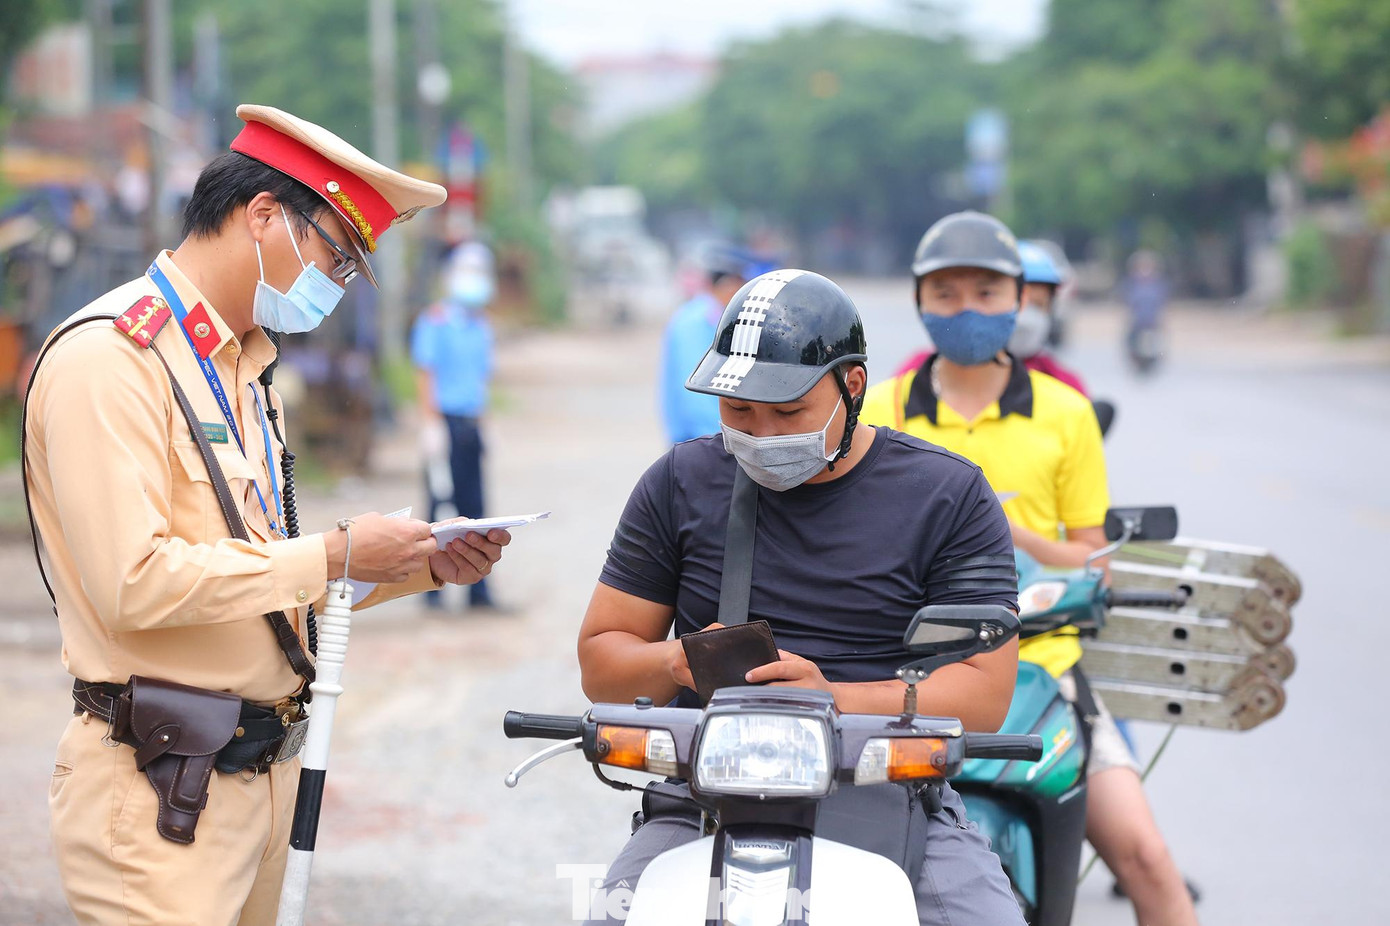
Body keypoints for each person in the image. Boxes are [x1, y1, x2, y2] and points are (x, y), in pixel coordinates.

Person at [22, 104, 511, 926]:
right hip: (158, 791)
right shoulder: (112, 359)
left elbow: (248, 588)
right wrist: (332, 551)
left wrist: (404, 564)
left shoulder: (245, 368)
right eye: (336, 255)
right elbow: (132, 584)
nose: (335, 285)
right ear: (262, 217)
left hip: (259, 779)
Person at [578, 268, 1027, 925]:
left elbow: (985, 694)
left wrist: (832, 699)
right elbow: (601, 663)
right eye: (738, 412)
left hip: (890, 790)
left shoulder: (948, 496)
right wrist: (673, 663)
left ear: (853, 385)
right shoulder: (679, 483)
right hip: (707, 796)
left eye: (788, 412)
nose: (760, 434)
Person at [860, 210, 1199, 926]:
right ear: (919, 300)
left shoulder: (1065, 412)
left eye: (986, 292)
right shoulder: (881, 407)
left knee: (1147, 861)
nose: (967, 310)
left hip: (1045, 666)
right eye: (946, 293)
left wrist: (1013, 534)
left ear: (1022, 299)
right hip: (907, 670)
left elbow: (1093, 561)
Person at [412, 240, 502, 611]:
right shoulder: (435, 320)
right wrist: (431, 424)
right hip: (444, 422)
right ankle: (430, 589)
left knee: (476, 507)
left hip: (471, 421)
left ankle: (478, 591)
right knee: (438, 508)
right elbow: (425, 373)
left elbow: (481, 378)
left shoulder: (482, 326)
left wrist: (486, 422)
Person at [893, 240, 1089, 398]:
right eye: (987, 294)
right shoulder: (917, 374)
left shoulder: (1065, 385)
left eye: (1038, 305)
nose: (1027, 318)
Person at [658, 249, 749, 443]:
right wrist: (713, 439)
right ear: (726, 286)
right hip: (699, 437)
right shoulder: (699, 320)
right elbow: (694, 386)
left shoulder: (703, 315)